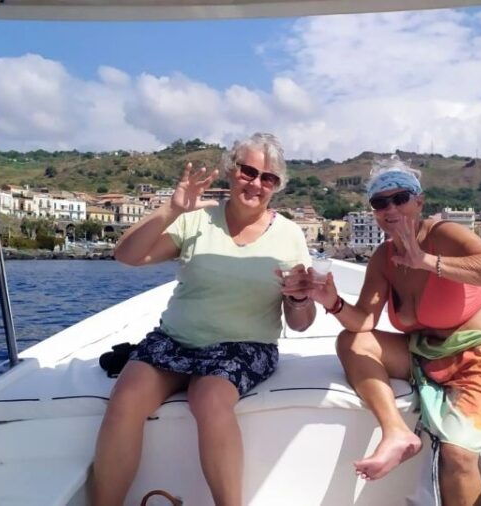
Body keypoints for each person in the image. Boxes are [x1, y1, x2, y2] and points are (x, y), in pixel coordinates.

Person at [91, 133, 316, 506]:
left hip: (244, 346)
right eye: (248, 171)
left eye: (268, 178)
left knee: (210, 399)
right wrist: (171, 209)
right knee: (126, 398)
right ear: (231, 171)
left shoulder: (290, 235)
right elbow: (127, 256)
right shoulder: (195, 220)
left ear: (277, 187)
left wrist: (299, 300)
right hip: (176, 339)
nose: (256, 183)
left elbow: (302, 323)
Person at [304, 158, 481, 506]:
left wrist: (427, 262)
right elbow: (364, 322)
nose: (391, 208)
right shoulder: (383, 258)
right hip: (431, 354)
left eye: (400, 197)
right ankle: (396, 432)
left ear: (419, 201)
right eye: (380, 202)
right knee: (352, 342)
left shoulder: (442, 234)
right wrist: (333, 301)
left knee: (457, 455)